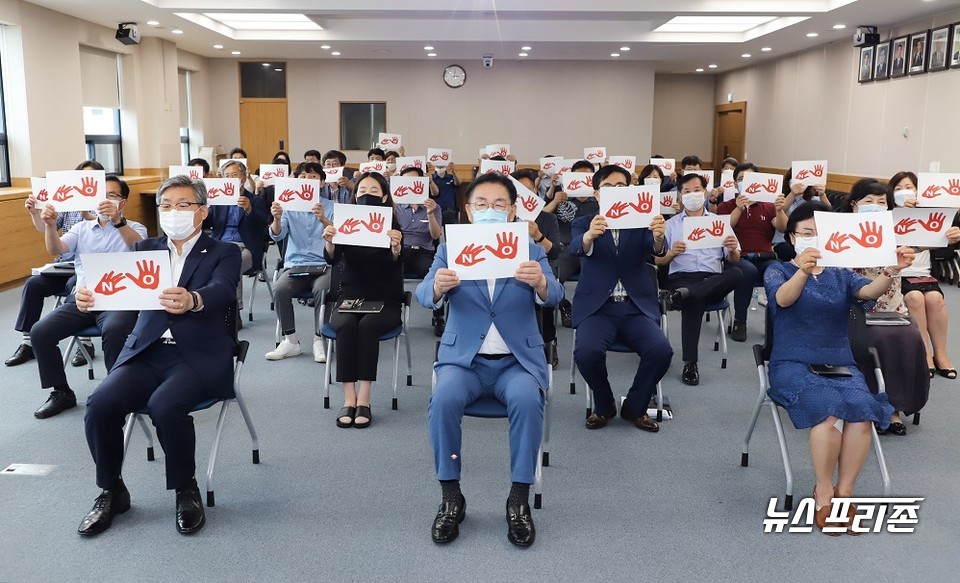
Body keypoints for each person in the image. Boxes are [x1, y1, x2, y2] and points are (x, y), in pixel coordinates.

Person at [76, 174, 242, 536]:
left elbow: (223, 289)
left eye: (183, 205)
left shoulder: (224, 251)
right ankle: (111, 489)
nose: (172, 212)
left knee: (166, 406)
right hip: (147, 350)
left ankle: (186, 489)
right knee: (100, 404)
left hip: (196, 354)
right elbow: (111, 288)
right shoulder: (144, 250)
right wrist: (86, 295)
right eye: (165, 206)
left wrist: (193, 299)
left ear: (202, 212)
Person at [417, 172, 563, 547]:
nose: (490, 210)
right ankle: (451, 496)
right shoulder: (451, 248)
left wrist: (541, 284)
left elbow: (556, 295)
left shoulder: (530, 249)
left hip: (516, 362)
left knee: (529, 401)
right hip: (464, 361)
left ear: (512, 211)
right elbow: (421, 294)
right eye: (481, 204)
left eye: (499, 205)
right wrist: (437, 287)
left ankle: (518, 499)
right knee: (443, 399)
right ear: (468, 210)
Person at [764, 201, 912, 535]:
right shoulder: (778, 270)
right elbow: (783, 300)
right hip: (793, 363)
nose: (812, 238)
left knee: (861, 411)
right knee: (828, 413)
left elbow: (868, 292)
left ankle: (845, 493)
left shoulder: (841, 273)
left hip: (839, 361)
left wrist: (890, 270)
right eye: (805, 232)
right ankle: (823, 494)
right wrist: (803, 269)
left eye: (818, 233)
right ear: (792, 236)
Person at [28, 175, 146, 419]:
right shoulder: (81, 228)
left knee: (115, 330)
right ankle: (61, 392)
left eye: (112, 196)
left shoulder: (135, 227)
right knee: (40, 331)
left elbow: (142, 250)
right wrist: (50, 225)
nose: (105, 201)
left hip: (119, 301)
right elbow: (56, 249)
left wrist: (117, 221)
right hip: (83, 299)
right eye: (101, 196)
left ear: (123, 202)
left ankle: (118, 392)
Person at [570, 164, 672, 430]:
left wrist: (659, 237)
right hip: (598, 309)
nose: (616, 192)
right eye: (608, 187)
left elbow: (656, 251)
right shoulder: (584, 222)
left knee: (661, 350)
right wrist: (590, 236)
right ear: (596, 193)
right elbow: (574, 249)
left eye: (621, 187)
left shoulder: (641, 219)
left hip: (634, 306)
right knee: (587, 352)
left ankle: (635, 407)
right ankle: (604, 405)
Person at [842, 178, 930, 435]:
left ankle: (894, 407)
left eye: (882, 202)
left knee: (910, 335)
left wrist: (948, 235)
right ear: (854, 205)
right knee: (877, 338)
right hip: (854, 311)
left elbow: (928, 238)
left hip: (893, 310)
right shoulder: (839, 232)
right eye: (869, 201)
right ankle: (872, 403)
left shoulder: (897, 233)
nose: (876, 206)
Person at [321, 172, 404, 429]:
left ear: (385, 197)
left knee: (367, 327)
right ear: (355, 196)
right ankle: (349, 398)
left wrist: (395, 248)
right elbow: (332, 259)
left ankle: (364, 399)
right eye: (363, 190)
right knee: (345, 326)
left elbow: (399, 264)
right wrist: (331, 243)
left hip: (385, 299)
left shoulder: (393, 228)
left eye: (374, 191)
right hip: (350, 297)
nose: (367, 195)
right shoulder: (347, 222)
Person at [657, 172, 746, 386]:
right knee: (693, 298)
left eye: (697, 190)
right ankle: (690, 363)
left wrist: (732, 249)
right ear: (679, 196)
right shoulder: (670, 225)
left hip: (713, 279)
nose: (692, 195)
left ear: (705, 193)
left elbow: (734, 259)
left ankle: (684, 295)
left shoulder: (719, 223)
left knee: (738, 272)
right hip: (681, 278)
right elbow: (658, 262)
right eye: (686, 192)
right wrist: (671, 255)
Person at [7, 160, 99, 367]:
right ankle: (28, 342)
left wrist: (87, 212)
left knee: (74, 286)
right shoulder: (66, 205)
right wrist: (34, 212)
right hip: (65, 264)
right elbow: (45, 228)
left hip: (88, 269)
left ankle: (85, 344)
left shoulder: (104, 206)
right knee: (33, 284)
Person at [888, 171, 959, 379]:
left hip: (925, 274)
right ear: (891, 193)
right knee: (915, 298)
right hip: (898, 275)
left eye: (909, 187)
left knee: (936, 298)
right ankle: (924, 354)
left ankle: (941, 355)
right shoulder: (886, 216)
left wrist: (954, 235)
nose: (904, 192)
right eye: (898, 188)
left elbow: (948, 245)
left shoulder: (930, 216)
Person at [266, 163, 335, 363]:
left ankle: (319, 338)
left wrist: (323, 219)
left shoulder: (331, 207)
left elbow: (339, 234)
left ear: (322, 182)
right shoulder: (287, 206)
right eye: (303, 177)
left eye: (312, 176)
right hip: (296, 264)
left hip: (324, 265)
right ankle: (291, 340)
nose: (307, 180)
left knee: (323, 289)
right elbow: (278, 236)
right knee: (280, 289)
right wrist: (277, 218)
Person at [715, 162, 789, 340]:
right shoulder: (726, 206)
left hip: (765, 256)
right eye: (741, 179)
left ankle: (774, 325)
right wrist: (739, 208)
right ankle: (740, 320)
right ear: (734, 184)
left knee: (778, 270)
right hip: (736, 257)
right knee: (747, 271)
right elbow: (723, 228)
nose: (746, 183)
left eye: (751, 179)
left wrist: (779, 210)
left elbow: (783, 227)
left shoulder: (768, 206)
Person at [202, 159, 270, 306]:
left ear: (243, 177)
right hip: (219, 245)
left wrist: (249, 210)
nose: (230, 179)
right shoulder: (219, 200)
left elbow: (264, 225)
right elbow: (207, 224)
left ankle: (233, 309)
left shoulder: (255, 200)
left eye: (234, 175)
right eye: (227, 176)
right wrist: (203, 210)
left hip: (246, 247)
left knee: (232, 264)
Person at [513, 168, 562, 366]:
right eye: (518, 190)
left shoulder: (546, 218)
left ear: (535, 190)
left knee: (543, 289)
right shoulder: (503, 217)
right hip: (508, 269)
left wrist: (538, 236)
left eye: (528, 189)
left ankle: (548, 342)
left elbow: (555, 253)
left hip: (536, 269)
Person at [547, 160, 599, 328]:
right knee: (552, 278)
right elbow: (539, 217)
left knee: (598, 276)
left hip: (592, 249)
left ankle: (590, 310)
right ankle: (564, 306)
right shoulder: (562, 198)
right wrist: (555, 201)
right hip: (566, 250)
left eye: (587, 175)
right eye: (579, 175)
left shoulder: (600, 202)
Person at [395, 166, 445, 336]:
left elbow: (436, 235)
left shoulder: (433, 207)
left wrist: (430, 214)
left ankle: (438, 316)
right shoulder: (396, 207)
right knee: (387, 270)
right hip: (401, 249)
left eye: (414, 181)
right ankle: (392, 314)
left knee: (436, 275)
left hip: (423, 251)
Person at [431, 160, 460, 227]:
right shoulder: (431, 178)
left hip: (449, 208)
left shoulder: (451, 177)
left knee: (450, 231)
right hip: (435, 208)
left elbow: (458, 183)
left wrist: (454, 172)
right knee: (435, 232)